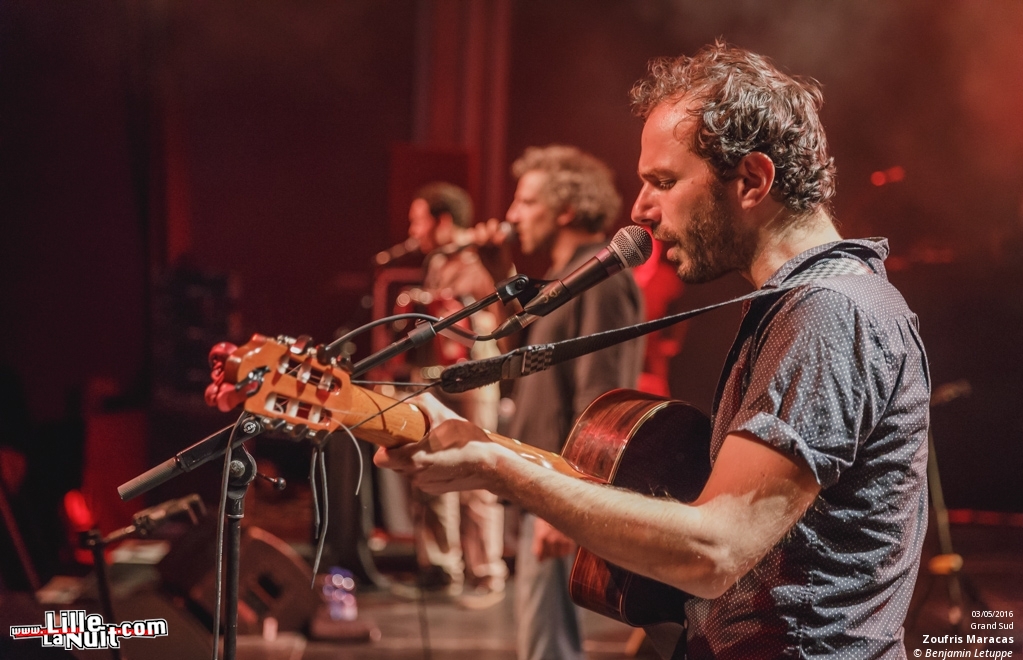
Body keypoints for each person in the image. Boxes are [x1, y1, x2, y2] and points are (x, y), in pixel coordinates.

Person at [377, 42, 930, 660]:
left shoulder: (830, 312)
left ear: (752, 180)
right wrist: (487, 446)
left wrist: (497, 469)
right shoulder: (799, 305)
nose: (639, 208)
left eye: (663, 182)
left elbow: (716, 550)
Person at [476, 145, 645, 660]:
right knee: (540, 636)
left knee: (548, 645)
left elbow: (602, 402)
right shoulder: (567, 280)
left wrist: (565, 505)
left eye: (527, 202)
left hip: (559, 485)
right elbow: (519, 360)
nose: (511, 216)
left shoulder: (601, 281)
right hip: (544, 482)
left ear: (566, 209)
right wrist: (498, 271)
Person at [396, 182, 508, 606]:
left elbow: (495, 319)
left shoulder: (480, 257)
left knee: (479, 470)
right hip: (437, 375)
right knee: (432, 466)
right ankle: (442, 567)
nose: (413, 228)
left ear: (443, 220)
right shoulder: (436, 262)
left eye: (418, 218)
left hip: (477, 375)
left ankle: (486, 572)